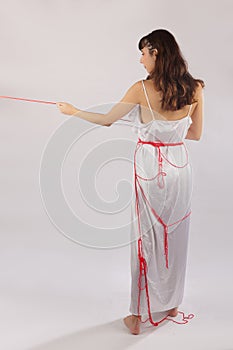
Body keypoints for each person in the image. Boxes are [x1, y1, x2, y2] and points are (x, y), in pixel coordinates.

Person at [56, 28, 204, 335]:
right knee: (175, 237)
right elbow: (195, 134)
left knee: (145, 240)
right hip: (180, 168)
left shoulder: (141, 89)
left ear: (156, 53)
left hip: (150, 168)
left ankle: (137, 317)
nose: (141, 60)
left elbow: (108, 119)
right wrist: (170, 132)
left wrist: (72, 111)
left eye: (143, 53)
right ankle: (172, 304)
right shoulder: (196, 89)